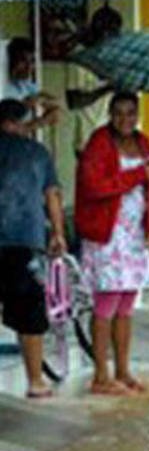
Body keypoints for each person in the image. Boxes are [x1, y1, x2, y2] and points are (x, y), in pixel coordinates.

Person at [75, 92, 149, 396]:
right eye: (119, 113)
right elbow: (94, 186)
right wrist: (137, 174)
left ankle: (123, 371)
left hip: (135, 235)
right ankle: (101, 375)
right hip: (107, 234)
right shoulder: (99, 142)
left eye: (130, 113)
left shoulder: (144, 142)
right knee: (106, 305)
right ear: (110, 115)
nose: (125, 119)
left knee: (126, 306)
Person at [0, 98, 67, 399]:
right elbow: (52, 195)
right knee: (29, 312)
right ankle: (36, 381)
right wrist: (58, 234)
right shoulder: (37, 153)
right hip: (25, 243)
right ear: (19, 122)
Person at [2, 37, 60, 132]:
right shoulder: (3, 81)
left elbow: (56, 112)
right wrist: (24, 106)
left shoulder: (27, 86)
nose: (29, 67)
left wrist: (25, 128)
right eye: (23, 61)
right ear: (10, 59)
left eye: (31, 61)